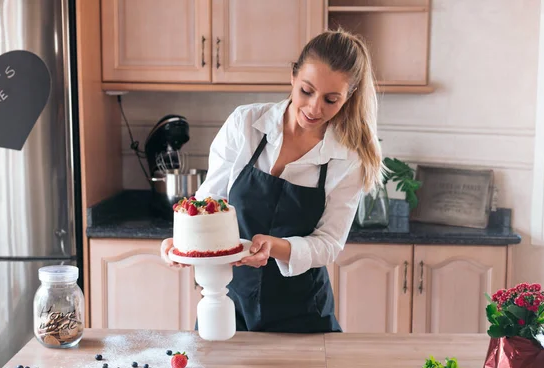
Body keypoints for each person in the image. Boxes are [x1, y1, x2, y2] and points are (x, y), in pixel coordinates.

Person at [160, 29, 383, 333]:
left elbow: (329, 244)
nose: (315, 108)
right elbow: (208, 201)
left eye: (331, 100)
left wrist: (274, 247)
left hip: (303, 311)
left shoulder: (348, 157)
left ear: (349, 96)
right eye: (306, 91)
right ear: (293, 76)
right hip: (228, 300)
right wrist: (185, 243)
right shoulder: (246, 124)